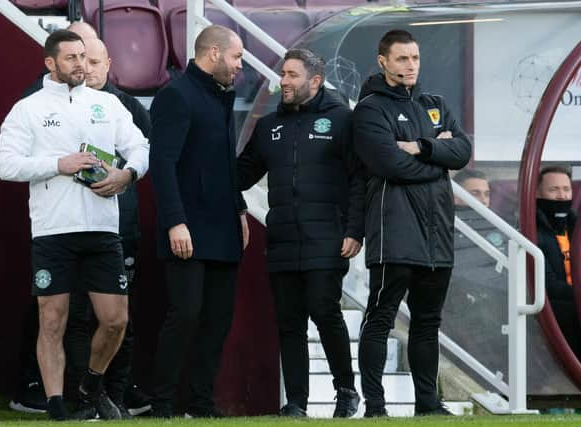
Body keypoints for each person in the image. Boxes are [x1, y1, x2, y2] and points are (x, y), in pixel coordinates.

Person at [0, 29, 149, 420]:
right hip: (52, 231)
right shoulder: (27, 108)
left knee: (115, 321)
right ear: (50, 63)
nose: (81, 64)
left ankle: (91, 386)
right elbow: (6, 164)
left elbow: (140, 147)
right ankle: (57, 406)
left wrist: (127, 175)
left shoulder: (108, 104)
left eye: (84, 57)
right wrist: (57, 164)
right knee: (52, 319)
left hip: (102, 229)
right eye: (71, 58)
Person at [237, 48, 364, 418]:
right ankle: (296, 403)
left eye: (292, 75)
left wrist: (355, 229)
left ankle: (346, 390)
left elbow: (360, 180)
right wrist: (234, 203)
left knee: (325, 312)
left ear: (315, 81)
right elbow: (240, 175)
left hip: (327, 238)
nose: (284, 82)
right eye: (283, 74)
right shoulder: (268, 126)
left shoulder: (342, 121)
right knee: (289, 323)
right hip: (281, 241)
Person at [353, 29, 471, 417]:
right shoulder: (370, 108)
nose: (410, 66)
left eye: (415, 58)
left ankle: (428, 404)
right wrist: (439, 163)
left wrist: (422, 147)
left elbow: (463, 151)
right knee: (381, 317)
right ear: (383, 61)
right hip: (394, 231)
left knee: (427, 322)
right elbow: (389, 163)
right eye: (402, 59)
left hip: (437, 233)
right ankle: (375, 406)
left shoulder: (434, 103)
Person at [149, 24, 247, 418]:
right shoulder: (175, 95)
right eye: (236, 57)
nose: (240, 65)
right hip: (187, 227)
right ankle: (161, 404)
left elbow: (224, 163)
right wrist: (175, 221)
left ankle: (201, 404)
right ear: (213, 54)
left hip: (223, 225)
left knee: (217, 320)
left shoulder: (223, 96)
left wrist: (239, 208)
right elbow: (162, 164)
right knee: (185, 314)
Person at [442, 169, 508, 377]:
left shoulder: (500, 227)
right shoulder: (443, 224)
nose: (483, 199)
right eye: (475, 193)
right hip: (459, 311)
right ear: (455, 195)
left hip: (498, 308)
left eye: (486, 193)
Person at [536, 166, 581, 358]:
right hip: (557, 310)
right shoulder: (531, 230)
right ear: (537, 193)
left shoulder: (576, 227)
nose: (562, 196)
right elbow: (548, 284)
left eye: (566, 189)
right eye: (554, 190)